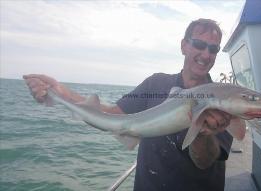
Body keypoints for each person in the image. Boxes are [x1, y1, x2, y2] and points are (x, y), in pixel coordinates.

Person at [24, 18, 235, 191]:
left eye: (213, 49)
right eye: (199, 44)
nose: (206, 54)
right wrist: (61, 93)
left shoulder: (222, 98)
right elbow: (110, 116)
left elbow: (205, 161)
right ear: (184, 45)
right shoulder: (156, 83)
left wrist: (202, 132)